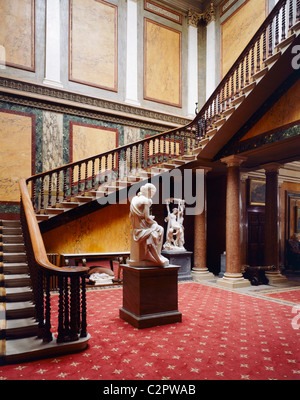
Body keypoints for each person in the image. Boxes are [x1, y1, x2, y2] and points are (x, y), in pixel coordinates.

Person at [129, 183, 169, 267]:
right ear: (150, 192)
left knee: (156, 228)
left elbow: (133, 216)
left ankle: (154, 255)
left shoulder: (135, 198)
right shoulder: (145, 200)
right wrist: (155, 222)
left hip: (136, 227)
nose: (152, 196)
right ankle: (157, 256)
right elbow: (147, 218)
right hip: (142, 229)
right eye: (152, 194)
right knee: (160, 228)